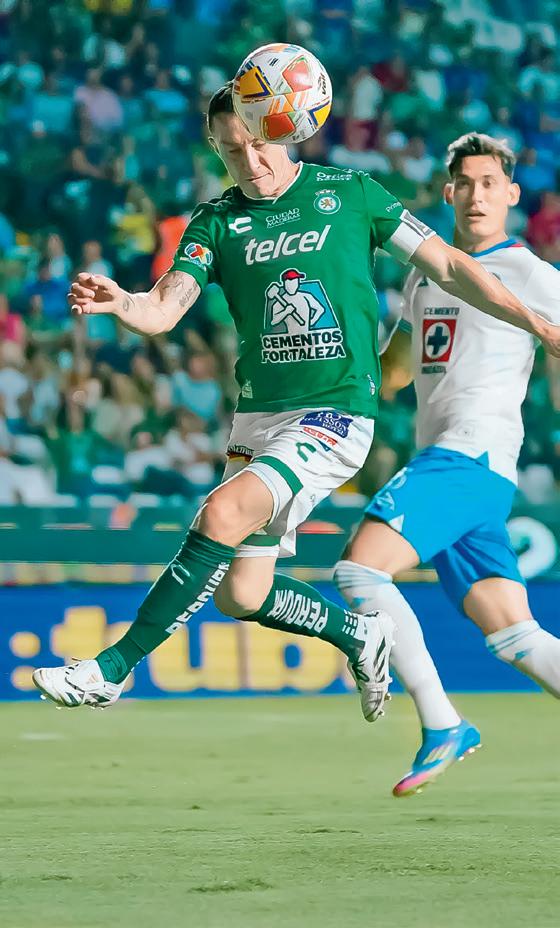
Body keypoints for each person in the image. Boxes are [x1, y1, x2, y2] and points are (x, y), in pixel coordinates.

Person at [33, 86, 560, 718]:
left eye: (258, 144)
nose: (250, 162)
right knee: (242, 594)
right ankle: (359, 634)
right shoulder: (216, 222)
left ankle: (112, 669)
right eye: (231, 151)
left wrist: (542, 326)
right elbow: (163, 309)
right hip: (258, 419)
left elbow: (447, 265)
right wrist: (123, 302)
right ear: (216, 149)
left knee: (221, 513)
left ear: (282, 129)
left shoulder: (351, 193)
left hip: (334, 414)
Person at [333, 132, 560, 797]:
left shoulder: (528, 274)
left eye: (490, 183)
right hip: (461, 465)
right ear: (448, 191)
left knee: (359, 569)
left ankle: (442, 724)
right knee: (515, 635)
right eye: (465, 183)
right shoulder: (425, 271)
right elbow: (396, 373)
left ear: (511, 194)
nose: (477, 195)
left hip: (472, 454)